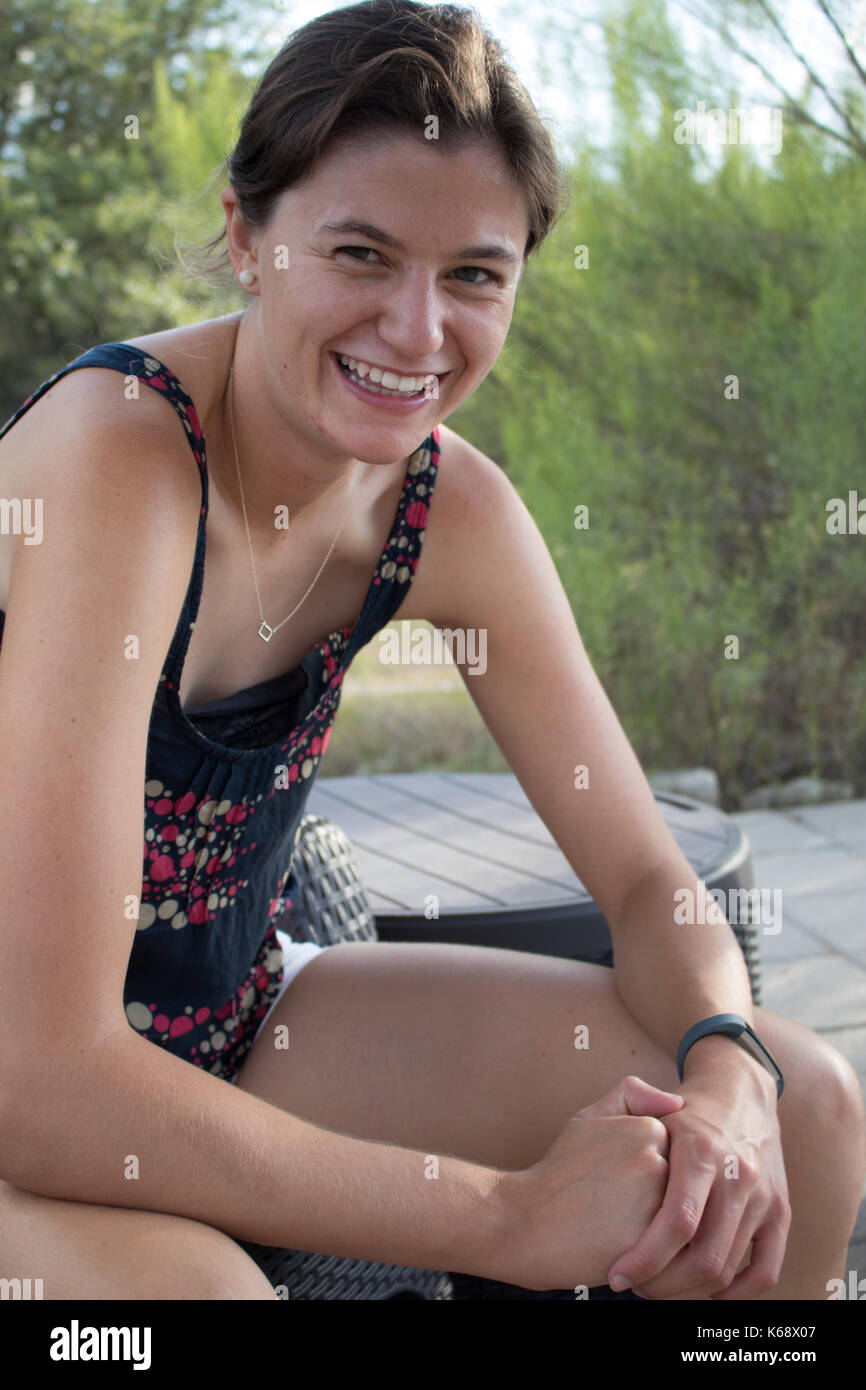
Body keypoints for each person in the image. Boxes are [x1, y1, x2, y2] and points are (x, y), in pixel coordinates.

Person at [0, 0, 862, 1302]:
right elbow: (47, 1078)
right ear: (246, 235)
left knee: (800, 1109)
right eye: (360, 253)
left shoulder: (443, 507)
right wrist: (502, 1217)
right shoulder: (119, 451)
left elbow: (644, 880)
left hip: (224, 1020)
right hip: (26, 1075)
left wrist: (728, 1060)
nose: (417, 331)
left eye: (473, 273)